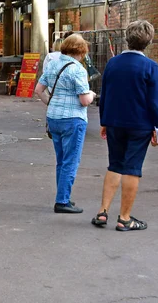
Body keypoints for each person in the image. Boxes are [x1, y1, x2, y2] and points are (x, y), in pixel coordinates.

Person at [91, 20, 158, 231]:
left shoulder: (113, 63)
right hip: (140, 124)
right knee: (132, 168)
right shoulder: (151, 67)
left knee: (115, 164)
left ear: (127, 38)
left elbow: (105, 95)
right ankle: (124, 218)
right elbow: (154, 102)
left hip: (114, 122)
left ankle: (102, 212)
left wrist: (104, 120)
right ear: (148, 40)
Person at [34, 34, 96, 214]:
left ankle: (64, 196)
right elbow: (84, 100)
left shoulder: (53, 63)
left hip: (54, 118)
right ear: (82, 51)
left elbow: (39, 90)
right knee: (71, 161)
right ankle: (62, 201)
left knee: (61, 161)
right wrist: (92, 94)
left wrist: (51, 104)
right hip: (73, 119)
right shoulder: (78, 69)